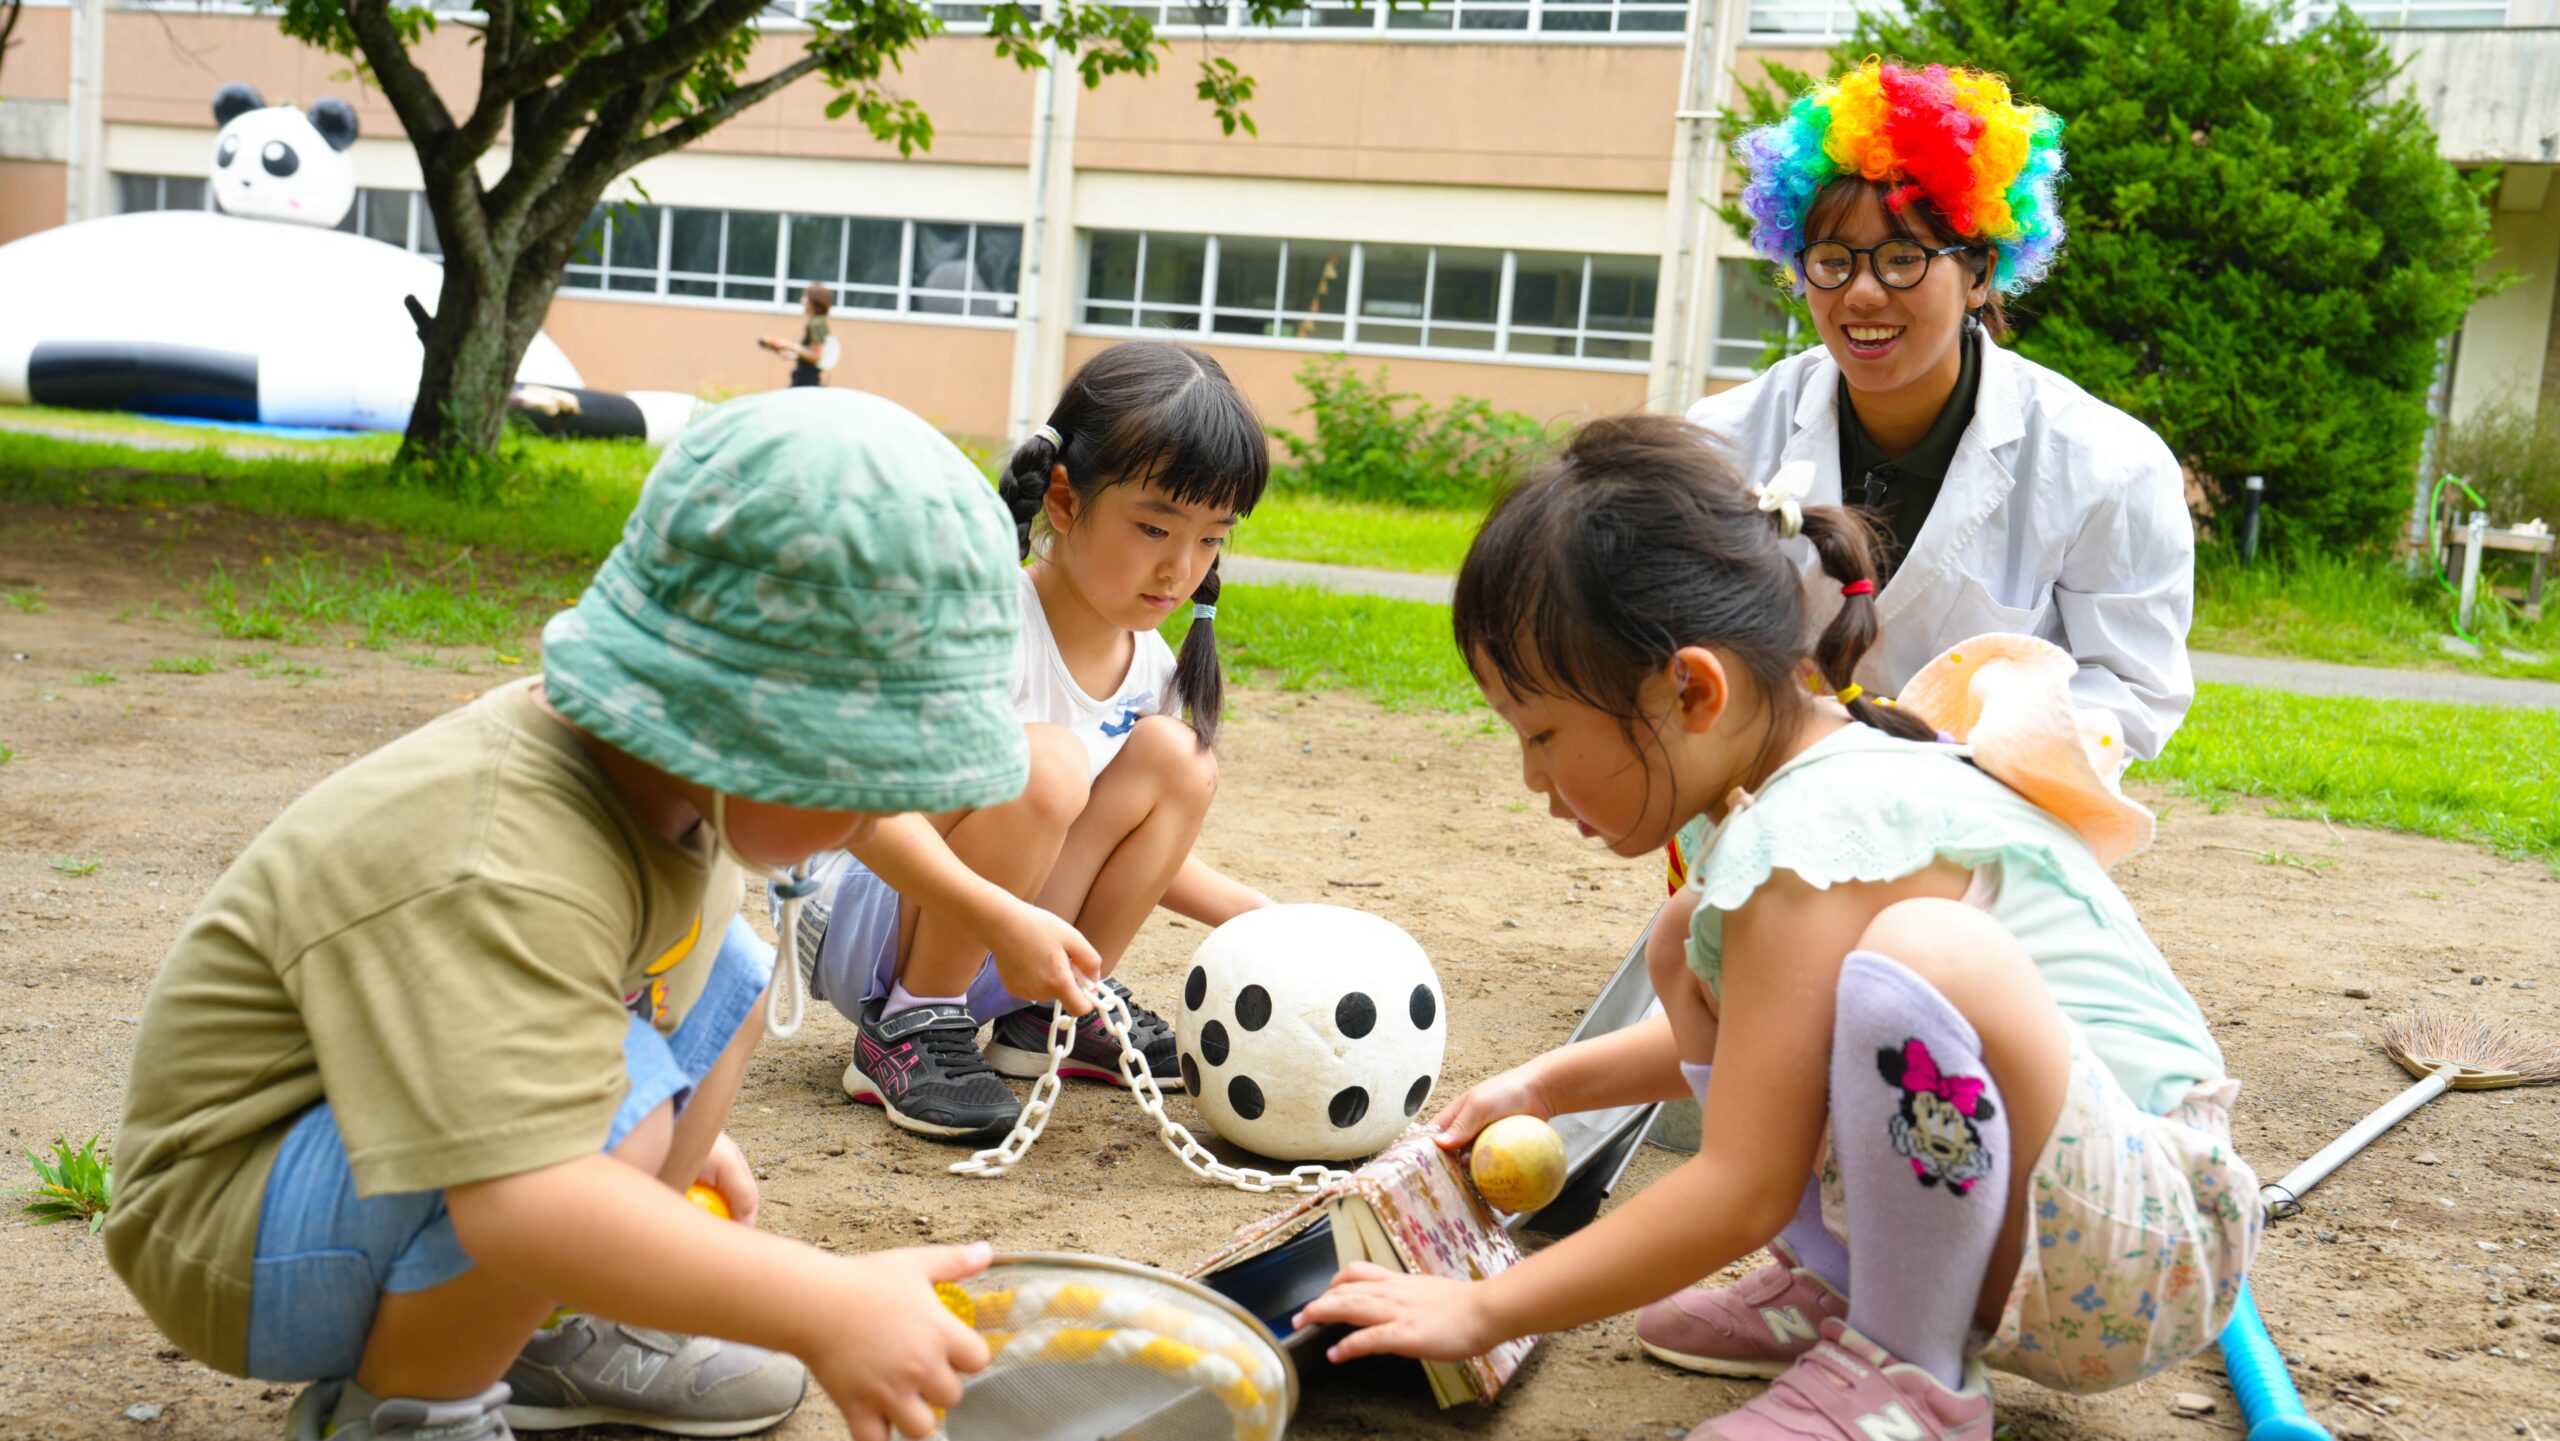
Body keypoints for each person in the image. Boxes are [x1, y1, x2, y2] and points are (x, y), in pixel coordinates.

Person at [1297, 416, 2255, 1441]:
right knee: (1684, 938)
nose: (1532, 775)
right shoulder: (1804, 790)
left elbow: (1739, 1187)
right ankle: (1844, 1284)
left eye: (1542, 732)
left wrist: (1479, 1307)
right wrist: (1553, 1083)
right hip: (2054, 1217)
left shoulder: (1811, 834)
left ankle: (1909, 1373)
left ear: (1691, 689)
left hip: (2136, 1244)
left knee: (1921, 954)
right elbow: (1774, 1038)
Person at [104, 389, 1033, 1441]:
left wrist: (654, 1163)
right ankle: (413, 1414)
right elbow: (527, 1197)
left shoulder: (675, 773)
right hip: (230, 1231)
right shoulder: (501, 853)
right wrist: (820, 1300)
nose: (877, 805)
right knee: (609, 1116)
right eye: (860, 767)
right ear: (736, 724)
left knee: (722, 970)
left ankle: (551, 1320)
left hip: (372, 1158)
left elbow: (814, 851)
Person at [794, 339, 1277, 1143]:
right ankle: (912, 1023)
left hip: (1011, 938)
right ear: (1064, 500)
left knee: (1177, 760)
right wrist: (997, 914)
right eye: (1155, 526)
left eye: (1210, 538)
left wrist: (1262, 918)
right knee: (1046, 762)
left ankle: (1047, 1013)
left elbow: (1129, 843)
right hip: (870, 915)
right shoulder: (983, 623)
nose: (1180, 566)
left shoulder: (1150, 662)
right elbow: (863, 812)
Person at [1689, 60, 2194, 764]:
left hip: (1990, 818)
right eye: (1832, 260)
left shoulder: (2108, 466)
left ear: (1981, 274)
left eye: (1902, 258)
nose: (1861, 294)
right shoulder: (1719, 444)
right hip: (1775, 795)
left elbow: (2130, 691)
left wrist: (1946, 766)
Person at [758, 282, 833, 387]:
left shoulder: (816, 323)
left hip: (807, 379)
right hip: (804, 376)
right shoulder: (815, 321)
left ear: (814, 300)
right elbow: (808, 352)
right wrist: (791, 354)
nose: (801, 300)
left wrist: (790, 345)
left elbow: (816, 356)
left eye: (805, 297)